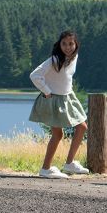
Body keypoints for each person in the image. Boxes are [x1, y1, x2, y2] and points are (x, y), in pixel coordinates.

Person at [29, 30, 89, 179]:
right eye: (64, 44)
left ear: (76, 44)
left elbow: (65, 77)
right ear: (59, 44)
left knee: (82, 127)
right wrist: (47, 91)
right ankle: (45, 169)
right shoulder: (54, 60)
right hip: (54, 99)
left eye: (71, 43)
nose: (68, 47)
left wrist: (68, 90)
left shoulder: (74, 58)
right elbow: (35, 75)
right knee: (58, 134)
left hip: (68, 97)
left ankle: (69, 164)